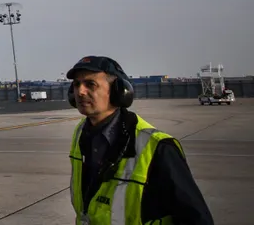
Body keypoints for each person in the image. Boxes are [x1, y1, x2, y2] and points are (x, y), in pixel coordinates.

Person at [66, 55, 213, 224]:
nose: (80, 91)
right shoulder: (81, 133)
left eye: (90, 84)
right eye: (76, 84)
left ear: (118, 92)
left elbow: (197, 219)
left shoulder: (157, 147)